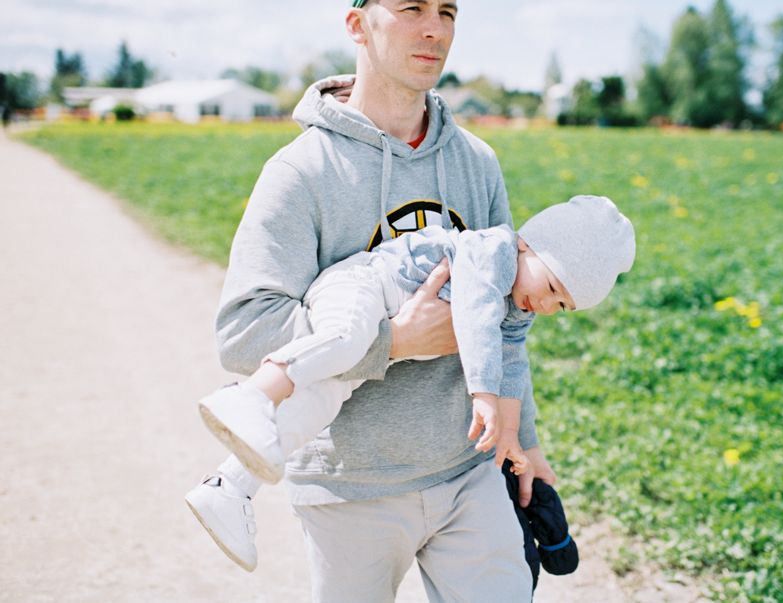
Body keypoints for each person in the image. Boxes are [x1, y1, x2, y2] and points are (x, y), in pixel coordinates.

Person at [185, 0, 584, 599]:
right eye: (411, 7)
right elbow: (245, 332)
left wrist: (524, 441)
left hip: (467, 473)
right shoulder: (300, 172)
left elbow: (507, 321)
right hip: (351, 487)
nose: (434, 28)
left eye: (448, 11)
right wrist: (395, 341)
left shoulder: (476, 163)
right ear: (356, 24)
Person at [187, 196, 635, 571]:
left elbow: (511, 360)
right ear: (527, 245)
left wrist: (513, 435)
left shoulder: (519, 305)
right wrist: (482, 393)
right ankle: (253, 395)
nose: (548, 304)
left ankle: (229, 487)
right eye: (554, 285)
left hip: (383, 320)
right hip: (365, 287)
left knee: (323, 398)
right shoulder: (492, 251)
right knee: (345, 341)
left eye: (563, 305)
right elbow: (476, 314)